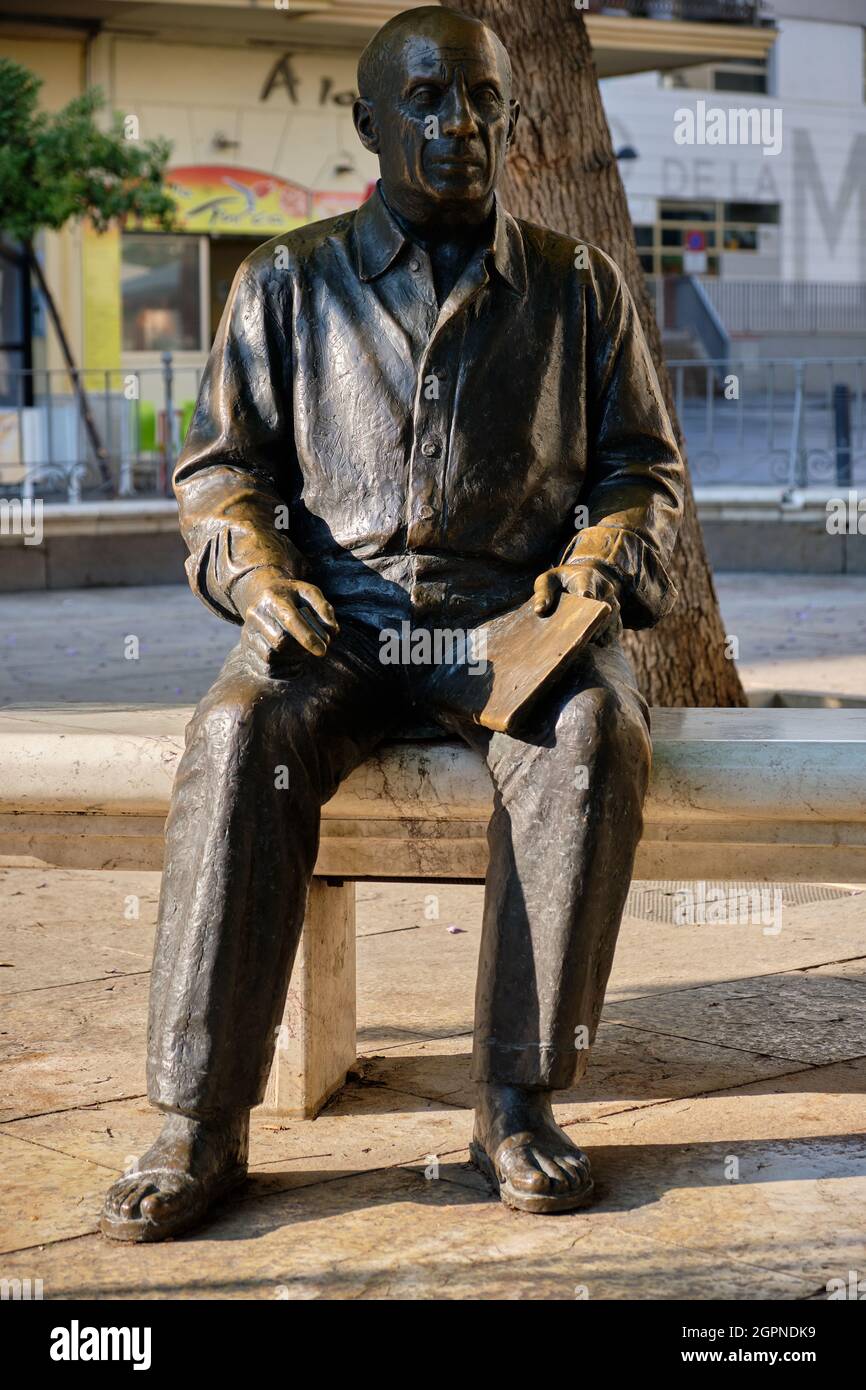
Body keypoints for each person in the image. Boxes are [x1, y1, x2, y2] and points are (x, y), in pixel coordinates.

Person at [101, 4, 683, 1242]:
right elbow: (220, 476)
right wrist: (258, 579)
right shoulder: (282, 282)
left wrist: (592, 567)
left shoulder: (581, 290)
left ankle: (517, 1101)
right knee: (232, 738)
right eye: (422, 100)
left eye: (478, 99)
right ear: (367, 122)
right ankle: (199, 1119)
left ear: (513, 122)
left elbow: (642, 471)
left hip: (512, 616)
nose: (454, 124)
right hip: (337, 619)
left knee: (589, 741)